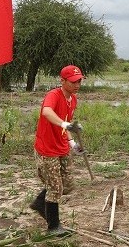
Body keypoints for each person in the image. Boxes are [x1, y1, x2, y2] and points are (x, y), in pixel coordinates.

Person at [30, 65, 85, 234]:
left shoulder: (73, 99)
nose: (77, 85)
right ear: (62, 81)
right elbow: (47, 112)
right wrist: (64, 123)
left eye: (79, 81)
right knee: (55, 188)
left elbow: (67, 122)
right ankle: (53, 227)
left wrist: (72, 143)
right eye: (73, 81)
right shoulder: (53, 95)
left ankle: (40, 203)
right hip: (47, 148)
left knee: (67, 185)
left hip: (61, 146)